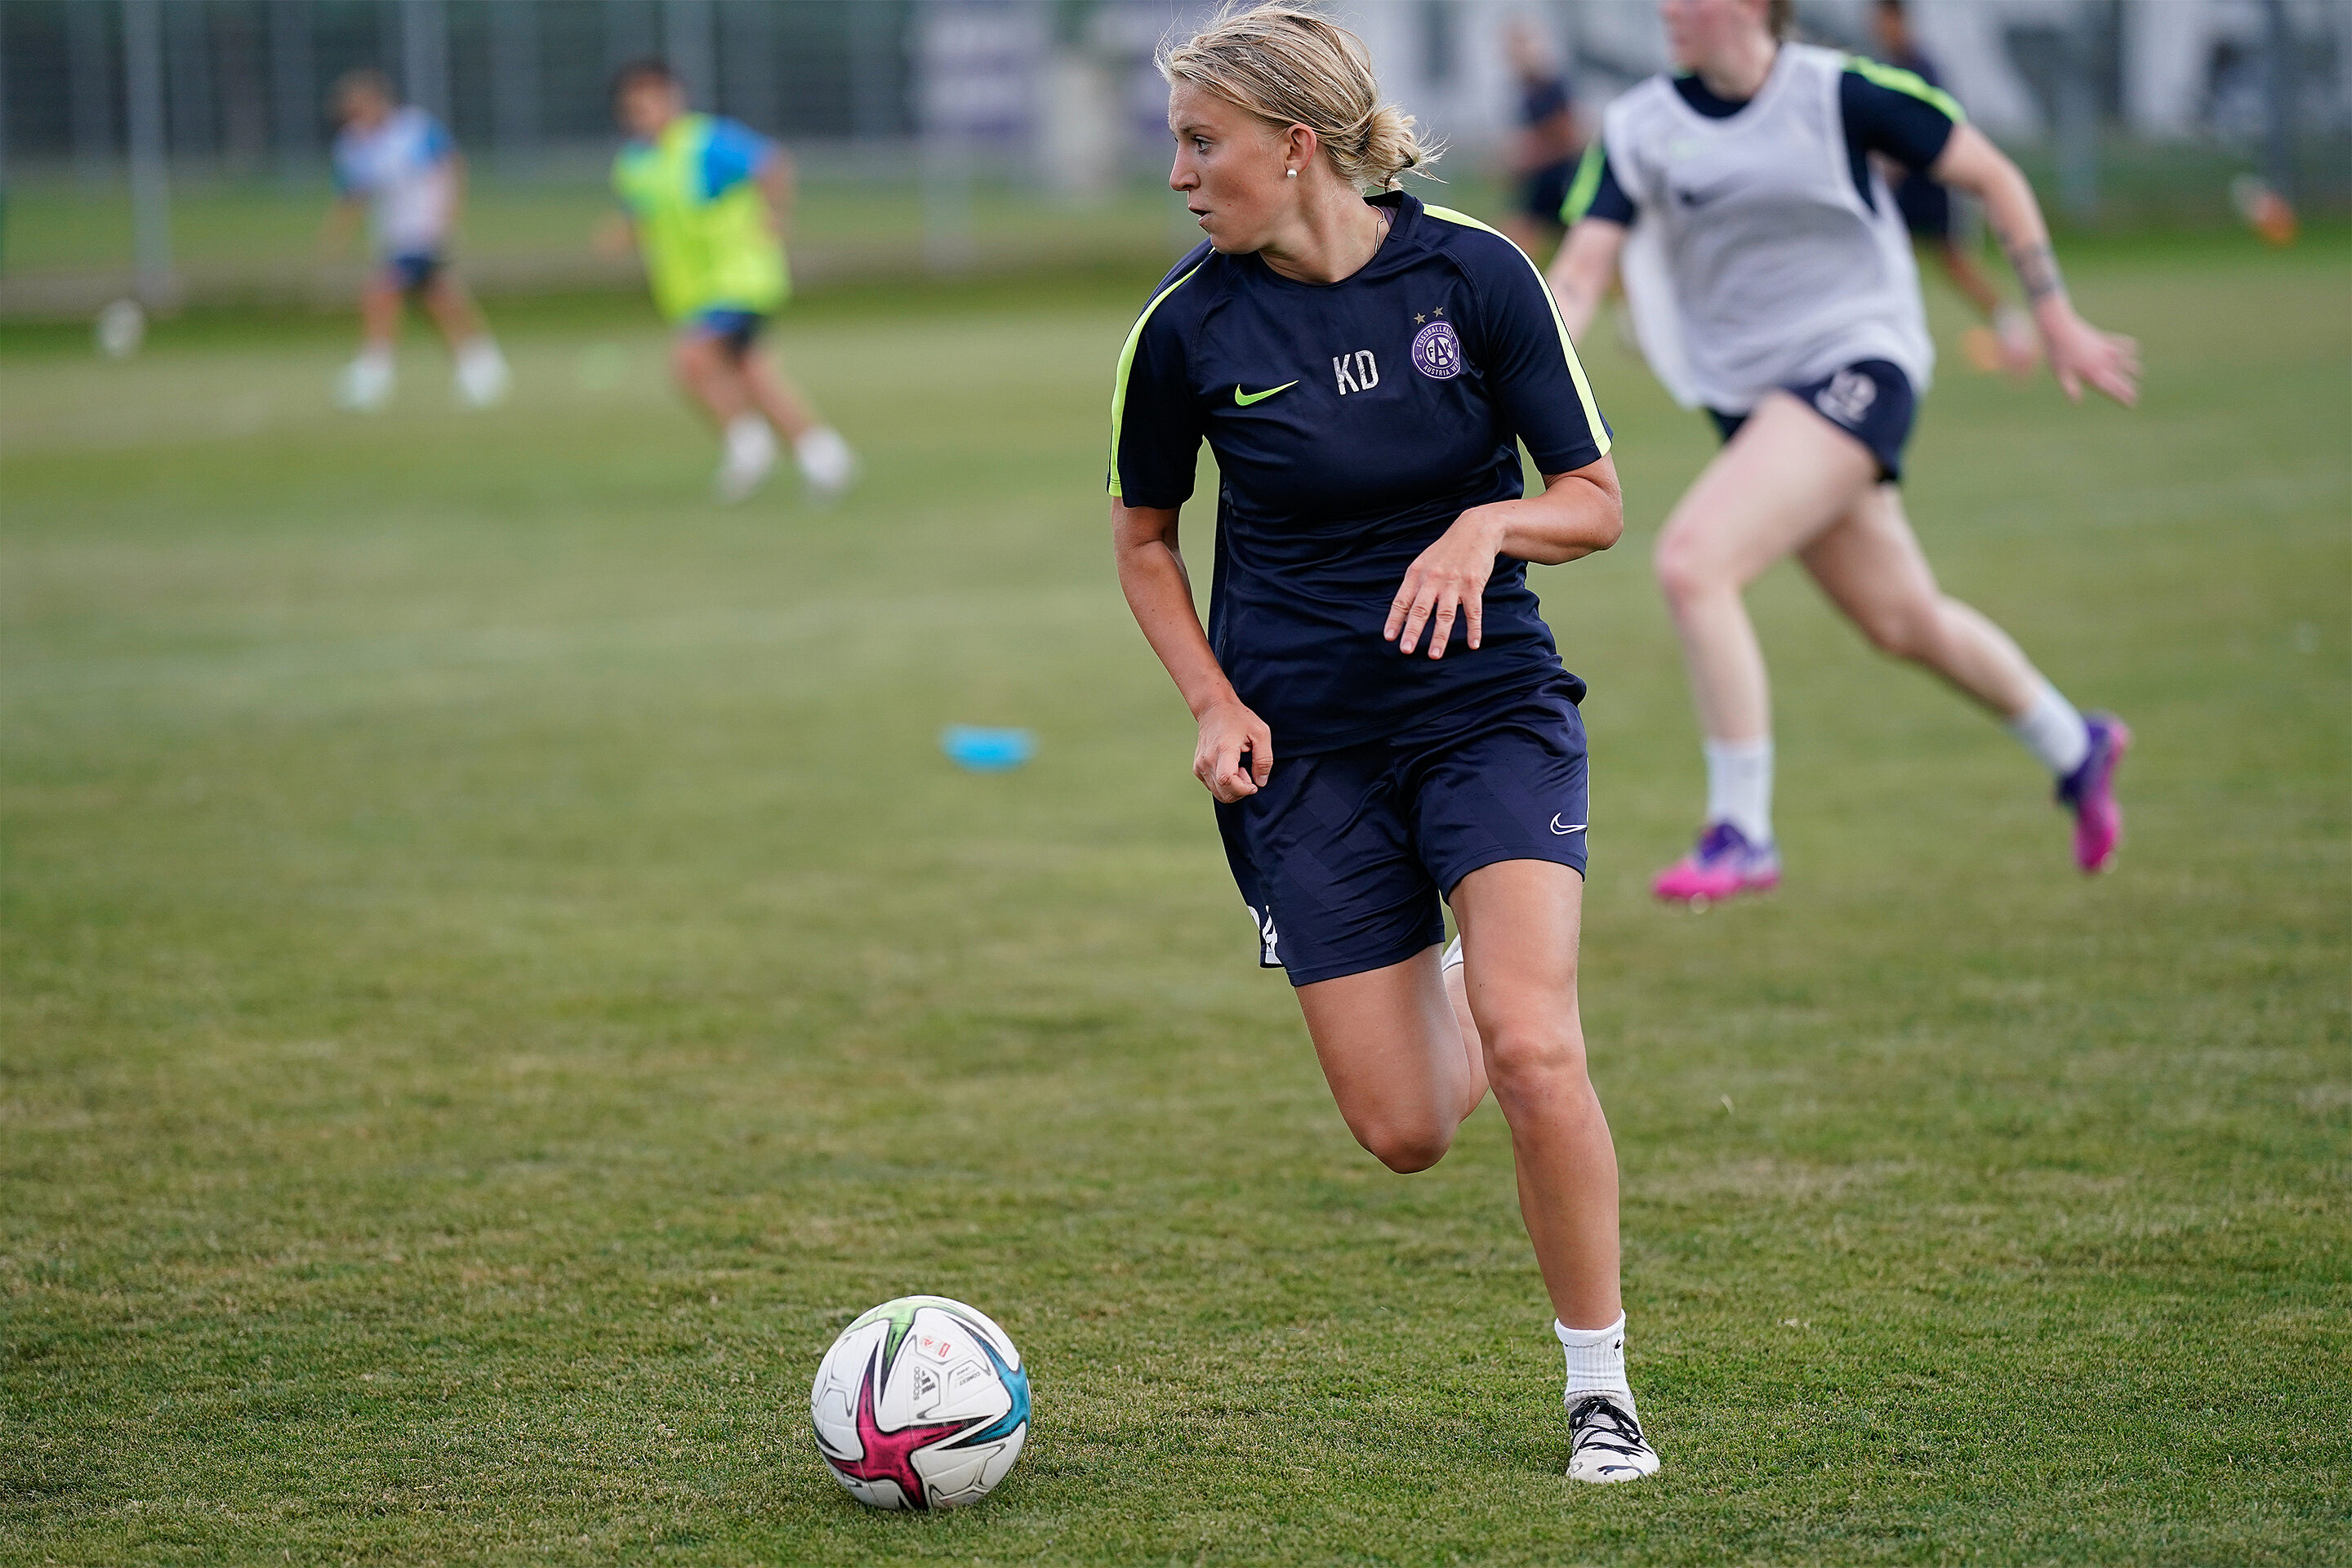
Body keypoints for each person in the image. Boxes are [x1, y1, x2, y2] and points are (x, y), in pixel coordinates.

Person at [1110, 5, 1656, 1483]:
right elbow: (1145, 543)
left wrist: (1489, 522)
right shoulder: (1187, 328)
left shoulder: (1474, 274)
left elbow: (1595, 497)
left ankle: (1599, 1392)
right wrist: (1214, 703)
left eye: (1201, 142)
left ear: (1297, 147)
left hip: (1487, 711)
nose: (1179, 174)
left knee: (1540, 1051)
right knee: (1408, 1129)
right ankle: (1472, 968)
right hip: (1308, 753)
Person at [1546, 0, 2139, 906]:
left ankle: (1741, 829)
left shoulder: (1842, 92)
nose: (1664, 7)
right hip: (1755, 403)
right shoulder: (1638, 128)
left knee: (1694, 561)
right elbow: (1583, 271)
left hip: (1861, 362)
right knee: (1901, 619)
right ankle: (2076, 745)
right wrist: (1531, 374)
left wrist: (2052, 315)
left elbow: (1995, 175)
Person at [605, 60, 857, 504]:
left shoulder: (706, 143)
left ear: (674, 99)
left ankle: (749, 444)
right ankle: (823, 456)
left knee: (690, 361)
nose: (646, 112)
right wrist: (623, 233)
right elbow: (647, 210)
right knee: (753, 376)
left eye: (654, 100)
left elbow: (771, 164)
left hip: (740, 279)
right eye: (635, 106)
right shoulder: (634, 165)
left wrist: (775, 215)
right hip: (692, 291)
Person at [320, 69, 510, 413]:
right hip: (391, 236)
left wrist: (447, 217)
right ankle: (480, 364)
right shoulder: (353, 143)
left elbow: (451, 165)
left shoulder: (413, 129)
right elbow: (353, 192)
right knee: (437, 298)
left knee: (381, 291)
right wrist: (337, 234)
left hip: (423, 230)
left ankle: (375, 372)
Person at [1867, 0, 2037, 376]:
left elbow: (1925, 132)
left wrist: (1886, 172)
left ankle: (2011, 325)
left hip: (1930, 184)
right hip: (1904, 188)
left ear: (1897, 20)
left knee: (1953, 261)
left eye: (1881, 19)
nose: (1876, 27)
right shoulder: (1889, 66)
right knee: (1884, 257)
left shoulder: (1920, 66)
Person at [1499, 19, 1584, 261]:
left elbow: (1568, 137)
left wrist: (1528, 156)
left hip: (1560, 175)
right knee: (1518, 237)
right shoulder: (1525, 90)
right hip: (1539, 178)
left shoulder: (1551, 87)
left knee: (1584, 239)